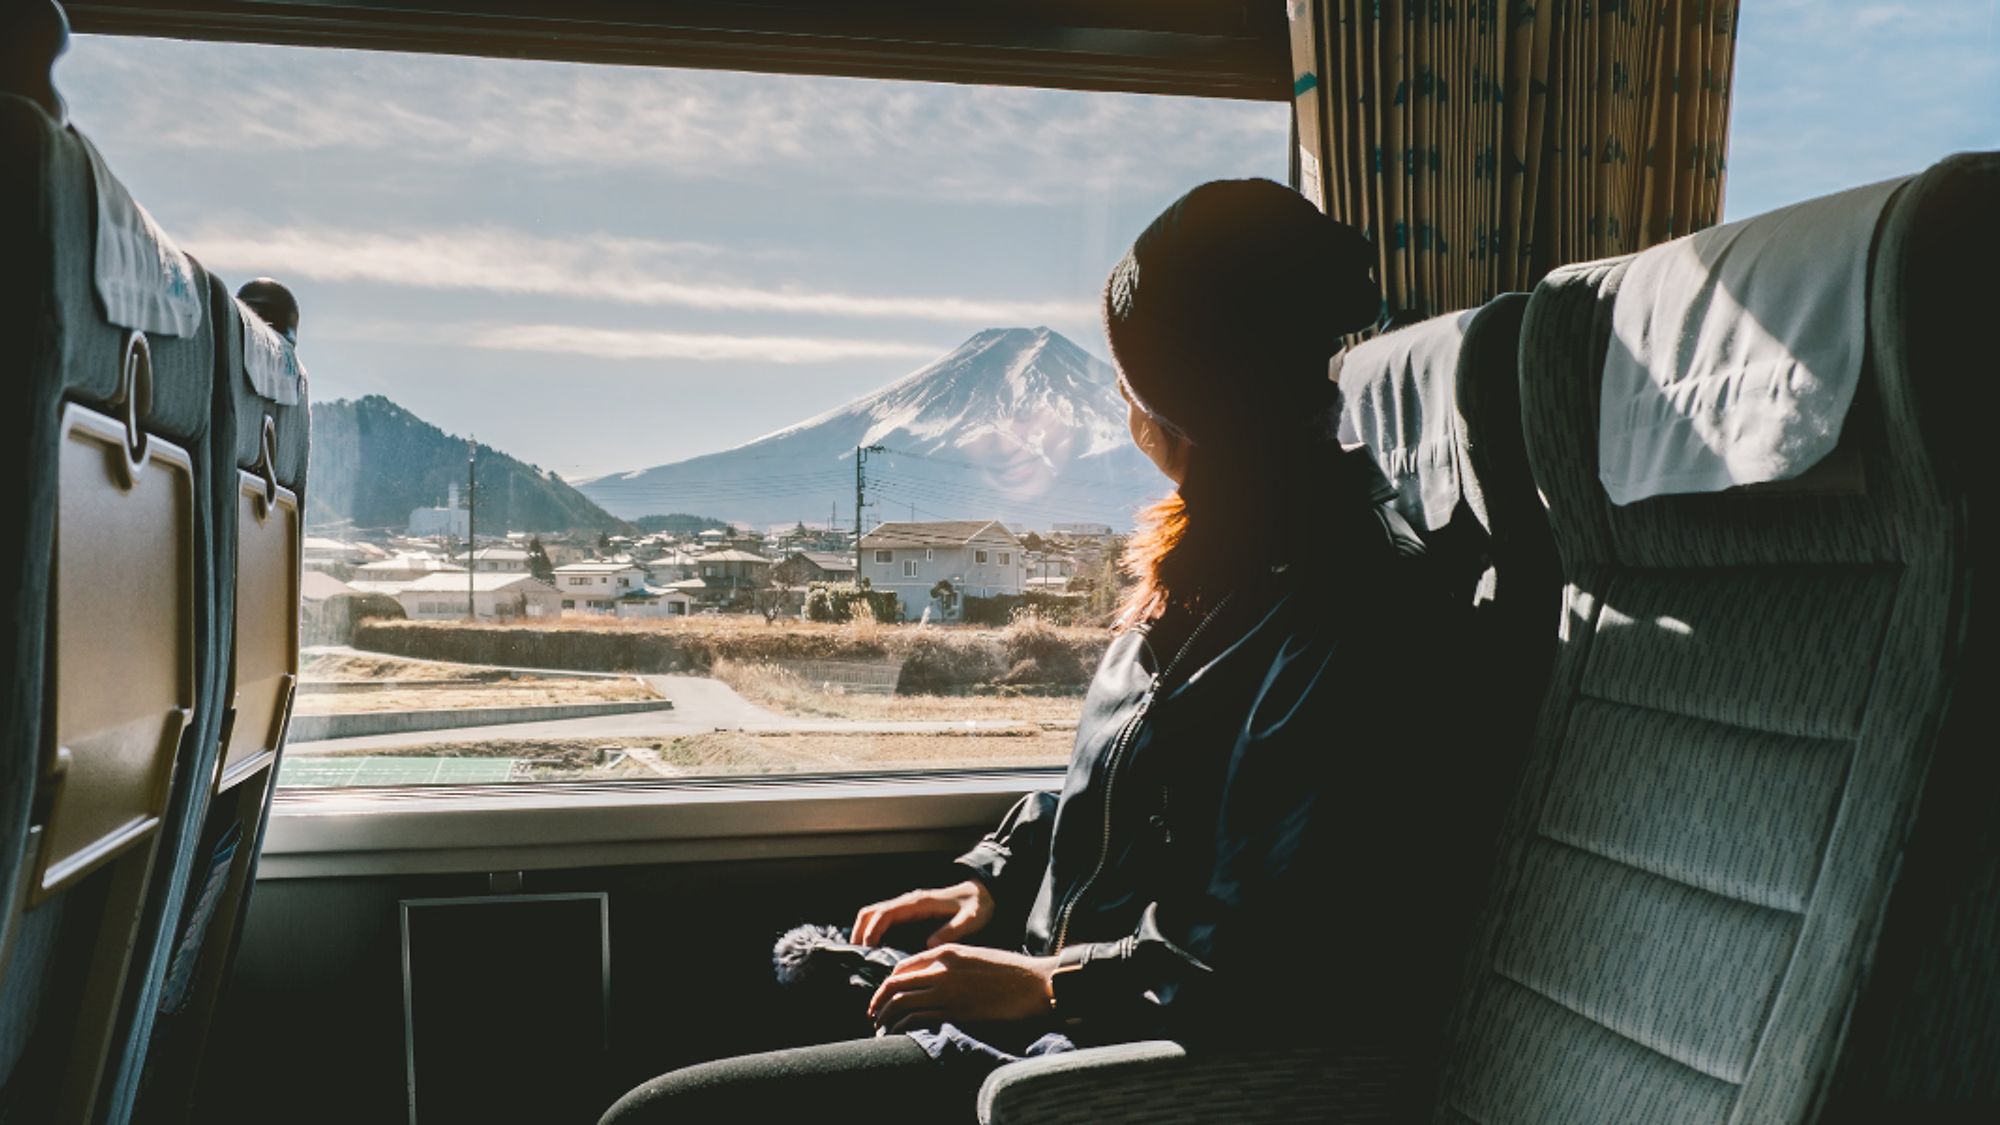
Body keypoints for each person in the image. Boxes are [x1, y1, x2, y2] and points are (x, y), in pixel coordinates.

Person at [600, 179, 1468, 1124]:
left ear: (1192, 402)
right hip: (1074, 1001)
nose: (1123, 403)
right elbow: (1143, 789)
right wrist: (994, 878)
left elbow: (1252, 942)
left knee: (657, 1113)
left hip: (1118, 1057)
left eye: (1133, 380)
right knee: (687, 1020)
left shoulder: (1350, 604)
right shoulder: (1221, 557)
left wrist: (1043, 983)